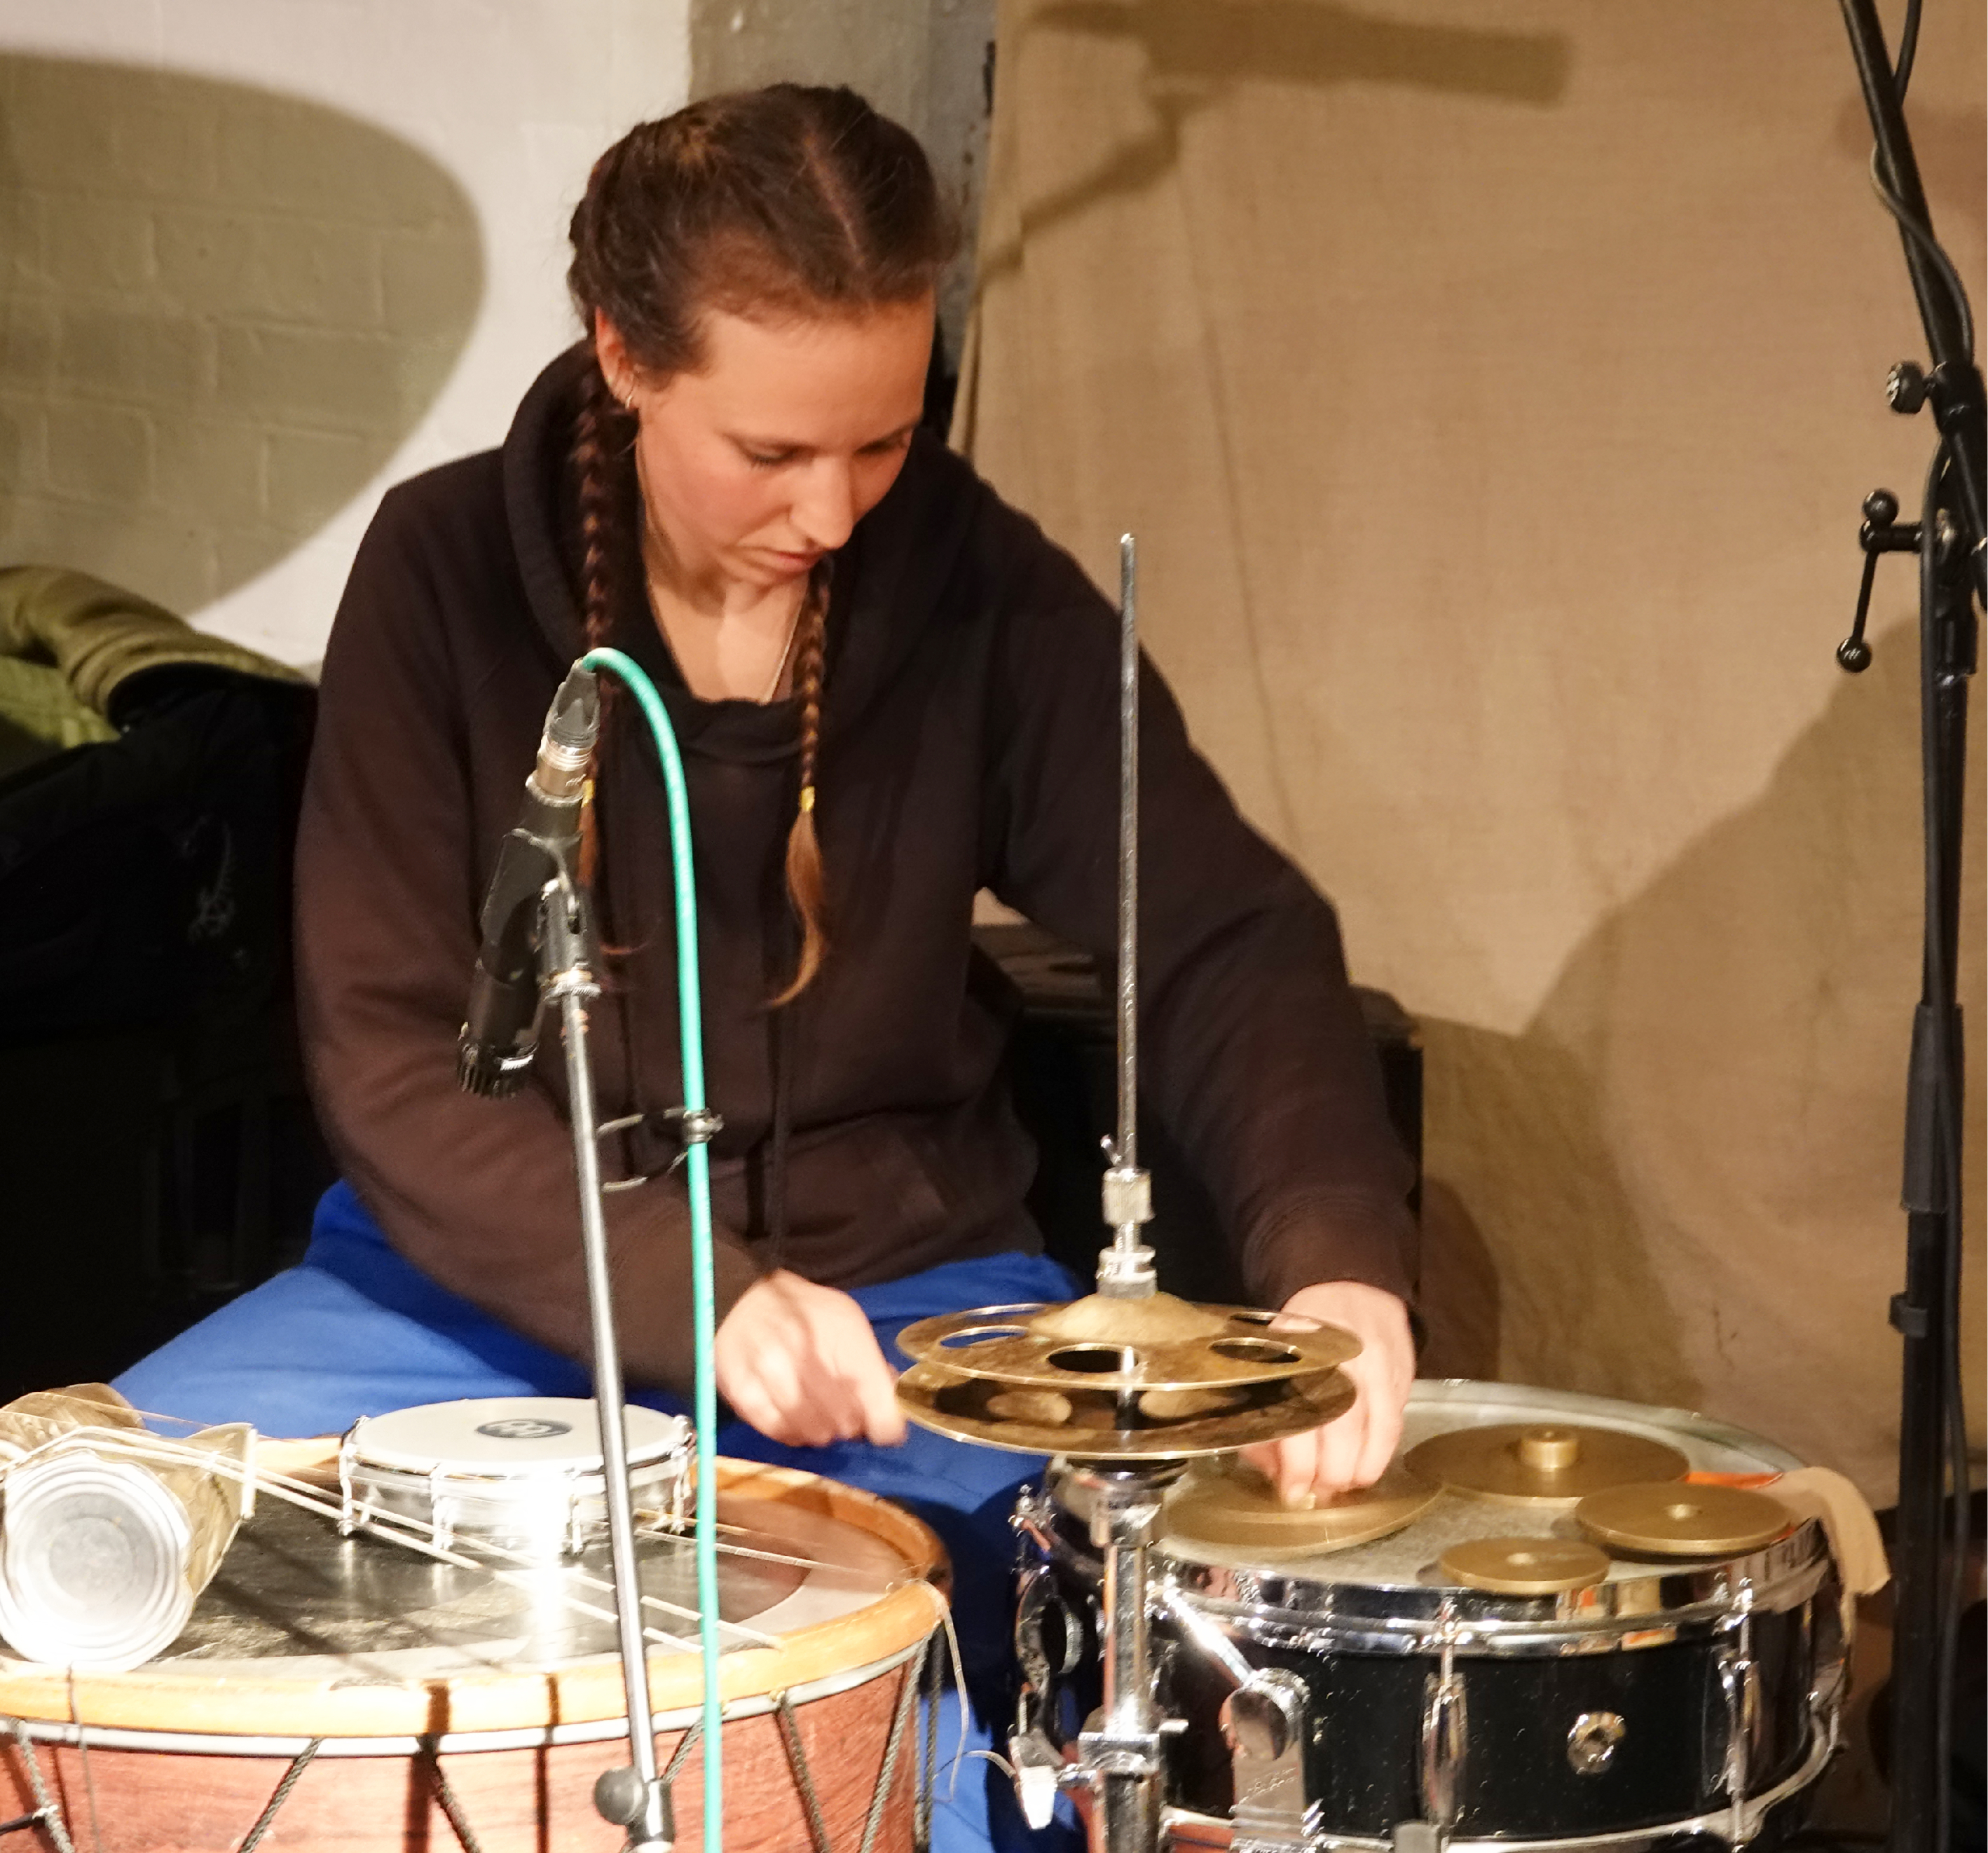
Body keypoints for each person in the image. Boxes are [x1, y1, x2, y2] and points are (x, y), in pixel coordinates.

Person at [117, 85, 1418, 1850]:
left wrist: (1334, 1256)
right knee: (94, 1534)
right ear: (624, 356)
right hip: (468, 1299)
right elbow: (383, 1050)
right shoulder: (436, 569)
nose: (833, 509)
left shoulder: (980, 591)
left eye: (881, 444)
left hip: (901, 1305)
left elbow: (1224, 932)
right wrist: (698, 1294)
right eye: (774, 453)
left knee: (1076, 1626)